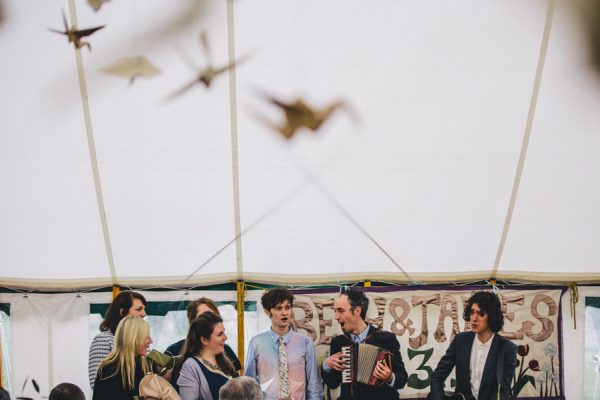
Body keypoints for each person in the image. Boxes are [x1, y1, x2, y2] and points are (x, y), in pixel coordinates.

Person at [429, 291, 517, 400]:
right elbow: (437, 377)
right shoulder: (460, 340)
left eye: (480, 314)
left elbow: (502, 391)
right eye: (472, 312)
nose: (474, 318)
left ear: (492, 317)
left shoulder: (507, 348)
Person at [322, 289, 408, 400]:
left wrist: (390, 376)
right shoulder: (338, 342)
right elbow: (333, 383)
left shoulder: (386, 339)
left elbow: (402, 379)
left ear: (357, 311)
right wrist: (326, 366)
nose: (336, 317)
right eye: (335, 311)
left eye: (341, 311)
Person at [245, 288, 323, 400]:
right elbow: (249, 385)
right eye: (279, 308)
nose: (285, 313)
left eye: (288, 307)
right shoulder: (256, 343)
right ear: (267, 311)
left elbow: (314, 385)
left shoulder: (305, 343)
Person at [88, 291, 147, 389]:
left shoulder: (141, 342)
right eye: (138, 309)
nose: (144, 314)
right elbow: (96, 383)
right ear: (122, 312)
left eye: (144, 309)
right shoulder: (103, 340)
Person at [165, 297, 241, 372]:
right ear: (192, 321)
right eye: (204, 316)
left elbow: (237, 381)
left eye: (213, 316)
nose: (210, 320)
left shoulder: (226, 350)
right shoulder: (173, 351)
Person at [175, 312, 238, 400]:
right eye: (220, 334)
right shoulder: (190, 366)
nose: (225, 337)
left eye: (224, 333)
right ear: (204, 340)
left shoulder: (225, 361)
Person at [92, 316, 156, 400]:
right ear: (134, 338)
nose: (151, 341)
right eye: (146, 336)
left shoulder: (150, 364)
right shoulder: (108, 370)